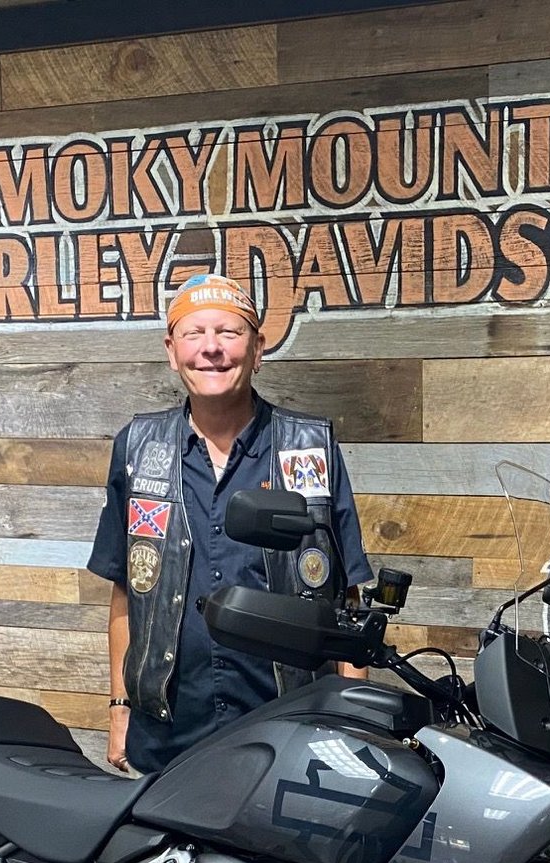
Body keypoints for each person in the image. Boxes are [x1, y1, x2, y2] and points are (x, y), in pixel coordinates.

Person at [87, 273, 374, 775]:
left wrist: (354, 721)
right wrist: (120, 708)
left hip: (289, 726)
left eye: (229, 332)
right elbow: (127, 591)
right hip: (170, 729)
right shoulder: (138, 447)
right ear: (172, 351)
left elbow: (346, 599)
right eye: (194, 333)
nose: (211, 348)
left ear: (258, 349)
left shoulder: (309, 449)